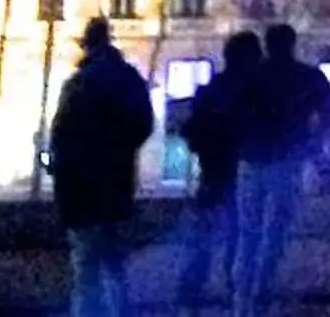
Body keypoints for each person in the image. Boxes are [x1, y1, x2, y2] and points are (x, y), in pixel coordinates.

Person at [49, 17, 155, 317]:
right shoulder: (128, 78)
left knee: (86, 270)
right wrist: (119, 151)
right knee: (115, 264)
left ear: (88, 45)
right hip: (117, 184)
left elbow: (61, 138)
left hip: (81, 189)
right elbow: (143, 125)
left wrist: (57, 174)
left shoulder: (79, 83)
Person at [229, 23, 330, 317]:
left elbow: (232, 113)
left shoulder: (252, 76)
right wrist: (314, 143)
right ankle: (261, 298)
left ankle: (242, 302)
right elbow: (329, 111)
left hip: (251, 160)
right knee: (274, 233)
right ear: (292, 44)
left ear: (267, 44)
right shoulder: (307, 77)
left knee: (248, 233)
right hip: (287, 161)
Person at [174, 30, 260, 315]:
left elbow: (192, 131)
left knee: (203, 243)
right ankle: (236, 299)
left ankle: (191, 299)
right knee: (240, 243)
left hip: (212, 174)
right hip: (243, 178)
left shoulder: (211, 91)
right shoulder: (255, 95)